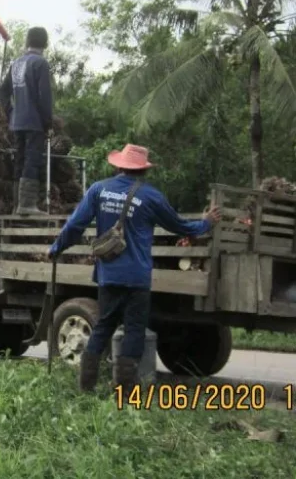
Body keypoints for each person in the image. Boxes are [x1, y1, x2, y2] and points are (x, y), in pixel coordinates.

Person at [47, 144, 222, 392]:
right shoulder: (151, 196)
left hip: (108, 275)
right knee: (134, 331)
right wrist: (205, 223)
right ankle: (126, 390)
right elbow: (179, 226)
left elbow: (75, 225)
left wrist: (56, 248)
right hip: (137, 278)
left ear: (118, 166)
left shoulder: (99, 190)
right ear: (144, 171)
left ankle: (86, 387)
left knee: (104, 326)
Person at [0, 27, 53, 215]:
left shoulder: (17, 63)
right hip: (34, 121)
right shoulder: (40, 63)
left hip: (17, 121)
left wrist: (10, 111)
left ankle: (16, 205)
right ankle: (27, 205)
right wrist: (48, 122)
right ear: (45, 43)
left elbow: (2, 91)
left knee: (20, 159)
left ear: (27, 42)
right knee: (32, 159)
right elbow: (44, 97)